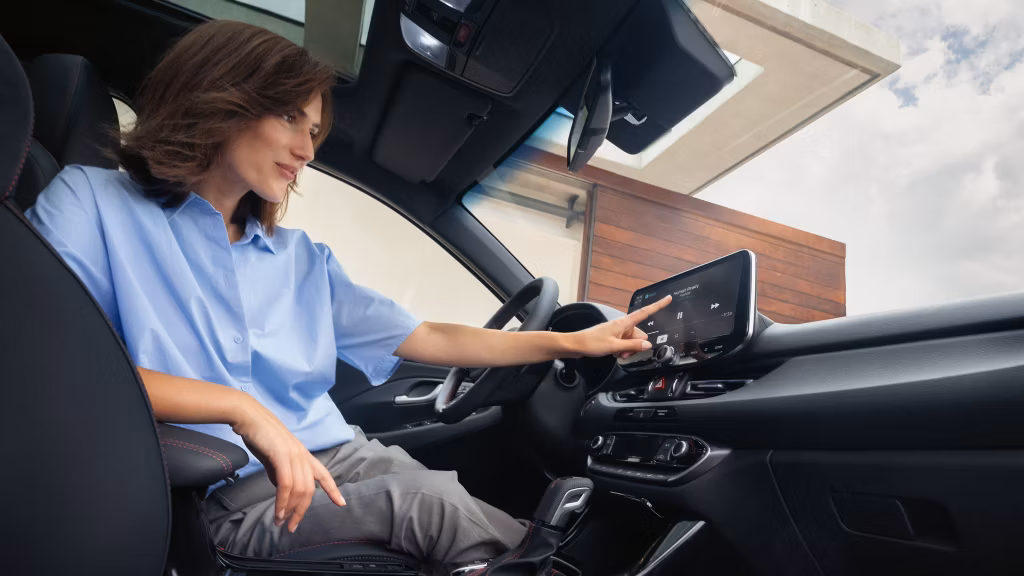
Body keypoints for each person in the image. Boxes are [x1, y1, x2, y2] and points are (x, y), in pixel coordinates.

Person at [26, 19, 671, 573]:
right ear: (219, 96)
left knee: (483, 515)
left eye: (314, 130)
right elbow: (52, 365)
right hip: (225, 492)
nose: (307, 150)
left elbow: (429, 337)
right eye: (290, 118)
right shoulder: (91, 201)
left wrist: (570, 341)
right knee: (433, 507)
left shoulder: (301, 259)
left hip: (341, 457)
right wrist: (241, 410)